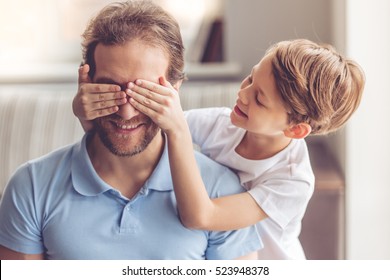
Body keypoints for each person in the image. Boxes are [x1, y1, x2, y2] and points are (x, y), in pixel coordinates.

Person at [0, 0, 262, 260]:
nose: (126, 112)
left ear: (176, 88)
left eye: (145, 92)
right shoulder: (32, 186)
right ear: (86, 84)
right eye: (110, 89)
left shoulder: (221, 191)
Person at [73, 38, 365, 259]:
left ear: (295, 129)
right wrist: (86, 113)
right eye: (251, 78)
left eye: (260, 99)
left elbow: (201, 217)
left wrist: (176, 129)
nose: (243, 93)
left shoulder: (292, 181)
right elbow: (134, 143)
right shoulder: (220, 123)